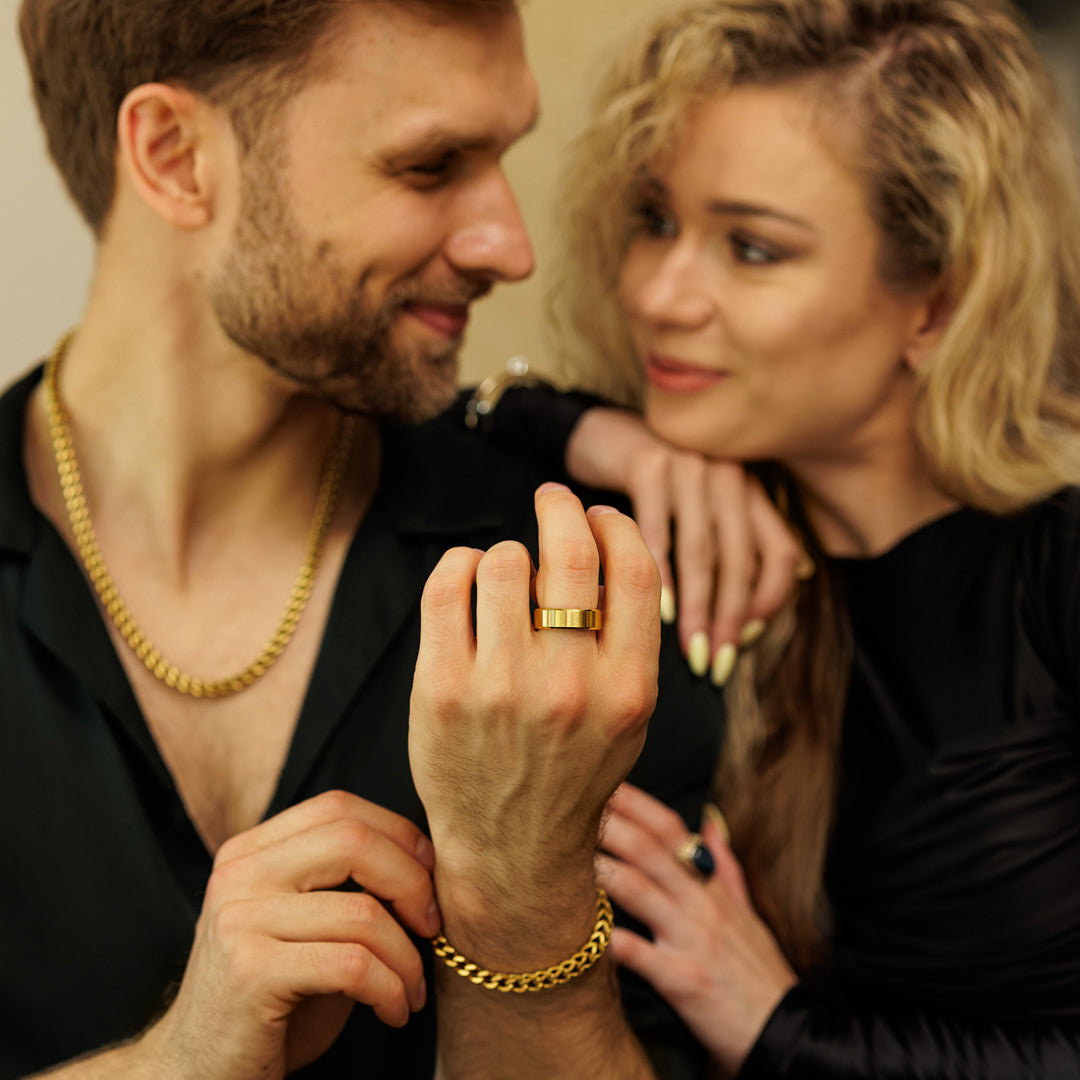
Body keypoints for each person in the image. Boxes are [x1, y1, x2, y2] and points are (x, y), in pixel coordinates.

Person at [0, 1, 770, 1076]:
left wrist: (524, 911)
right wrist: (174, 1062)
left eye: (502, 155)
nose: (510, 244)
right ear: (176, 158)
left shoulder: (575, 584)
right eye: (431, 164)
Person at [518, 0, 1080, 1073]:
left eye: (752, 247)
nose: (658, 292)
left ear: (937, 303)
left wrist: (780, 1030)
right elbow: (424, 433)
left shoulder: (1055, 560)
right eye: (654, 219)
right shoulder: (683, 521)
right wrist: (611, 439)